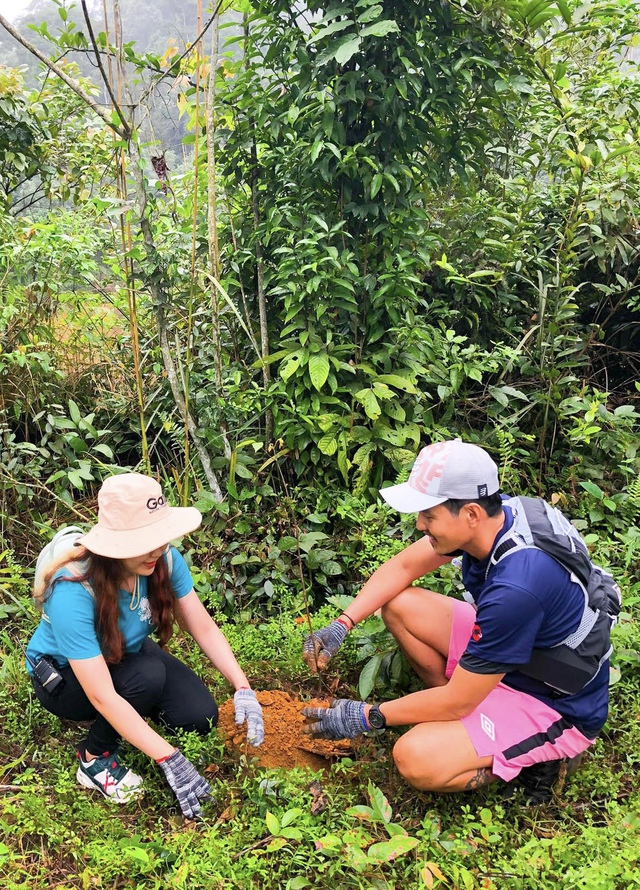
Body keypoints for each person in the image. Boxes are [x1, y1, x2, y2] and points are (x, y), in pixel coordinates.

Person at [302, 439, 616, 801]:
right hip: (516, 652)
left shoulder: (518, 587)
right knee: (400, 605)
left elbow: (460, 699)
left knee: (416, 757)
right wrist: (343, 623)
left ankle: (544, 756)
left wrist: (370, 715)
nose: (420, 524)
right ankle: (464, 721)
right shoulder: (503, 515)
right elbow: (404, 566)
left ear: (469, 514)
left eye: (429, 515)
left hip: (550, 697)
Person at [27, 472, 264, 818]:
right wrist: (169, 757)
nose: (157, 549)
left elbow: (204, 628)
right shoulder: (72, 589)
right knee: (147, 676)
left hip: (125, 652)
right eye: (144, 541)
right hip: (65, 678)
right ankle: (94, 758)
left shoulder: (163, 561)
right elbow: (100, 695)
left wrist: (243, 687)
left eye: (160, 537)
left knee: (198, 717)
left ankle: (137, 706)